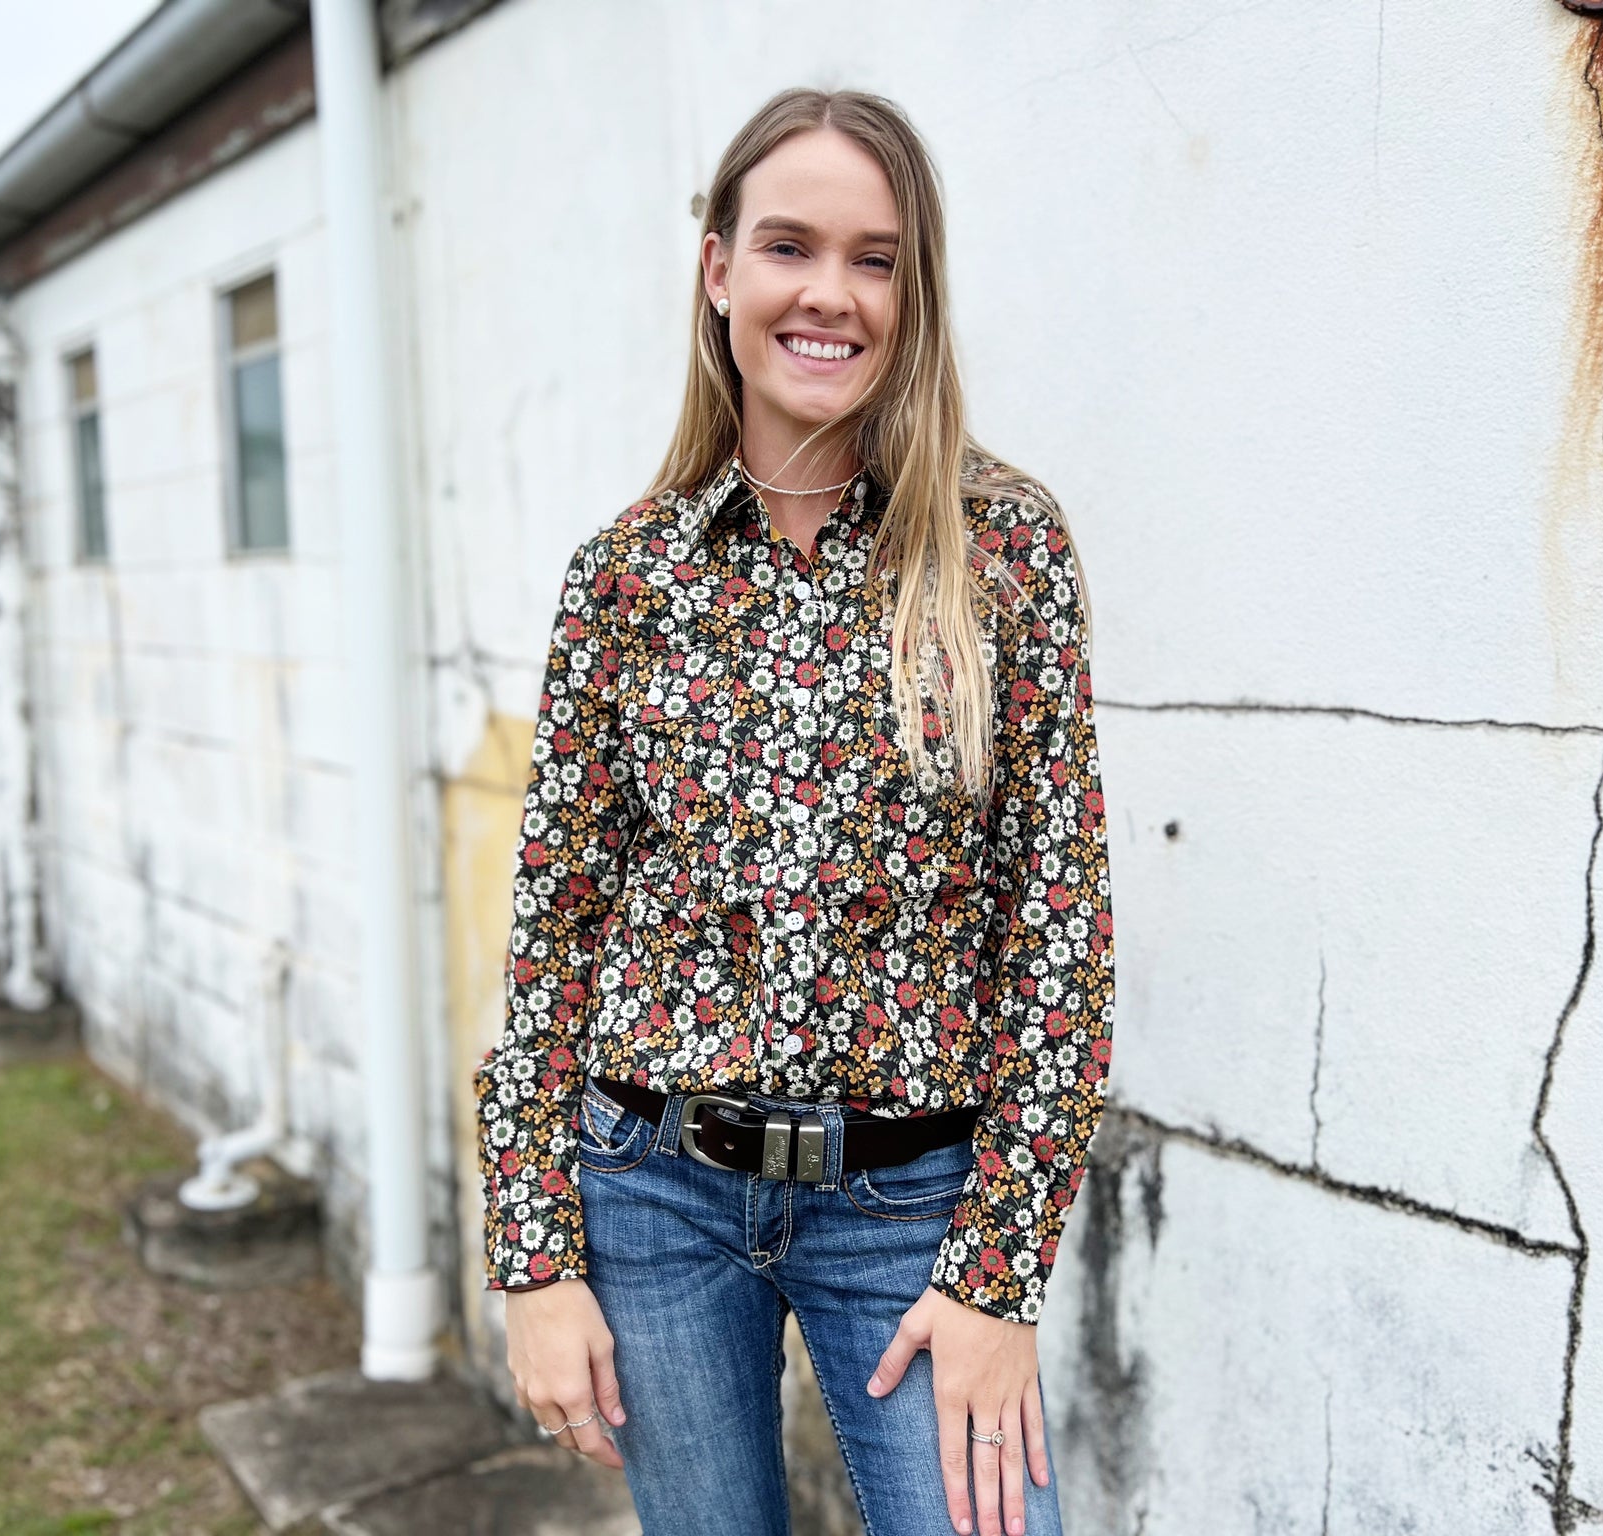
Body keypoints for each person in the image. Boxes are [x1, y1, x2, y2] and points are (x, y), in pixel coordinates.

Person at [472, 85, 1115, 1536]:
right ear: (719, 272)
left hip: (915, 1206)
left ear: (914, 291)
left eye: (876, 258)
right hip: (654, 1194)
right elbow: (553, 938)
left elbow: (1058, 931)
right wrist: (532, 1255)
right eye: (788, 247)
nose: (830, 292)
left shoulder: (1002, 548)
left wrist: (998, 1277)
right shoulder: (628, 577)